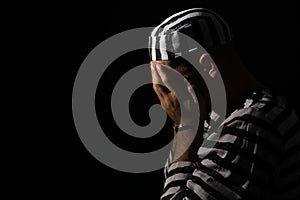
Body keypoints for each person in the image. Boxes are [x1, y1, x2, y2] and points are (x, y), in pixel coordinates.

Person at [148, 8, 300, 200]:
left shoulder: (251, 122)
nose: (169, 99)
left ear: (207, 66)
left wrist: (186, 126)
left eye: (171, 84)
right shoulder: (213, 116)